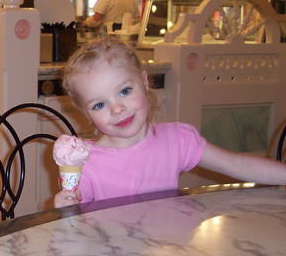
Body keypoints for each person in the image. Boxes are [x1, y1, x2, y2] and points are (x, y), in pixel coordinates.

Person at [54, 38, 286, 207]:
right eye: (99, 105)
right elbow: (77, 226)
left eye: (125, 91)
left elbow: (238, 165)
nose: (117, 109)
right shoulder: (86, 165)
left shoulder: (177, 141)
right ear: (85, 112)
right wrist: (65, 207)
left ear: (144, 81)